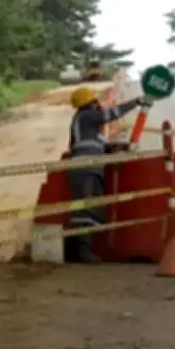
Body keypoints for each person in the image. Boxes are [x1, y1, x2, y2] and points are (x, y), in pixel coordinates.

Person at [65, 87, 152, 263]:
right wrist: (137, 102)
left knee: (91, 208)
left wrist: (124, 147)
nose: (98, 104)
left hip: (89, 169)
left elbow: (104, 146)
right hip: (85, 169)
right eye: (95, 101)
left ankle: (81, 249)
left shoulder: (88, 127)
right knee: (86, 209)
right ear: (90, 103)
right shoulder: (87, 116)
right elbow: (112, 113)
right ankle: (82, 251)